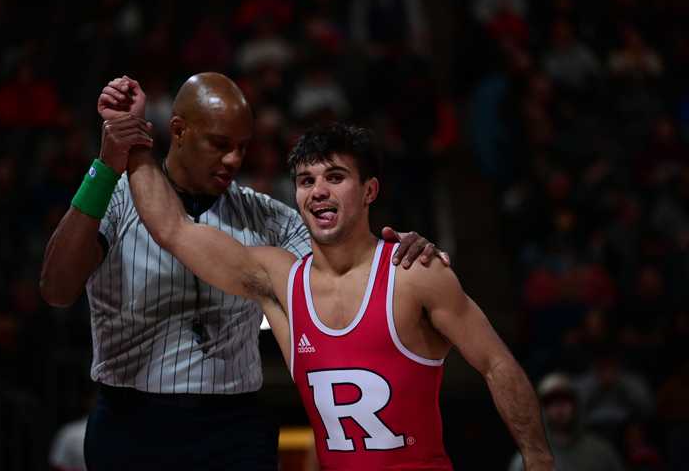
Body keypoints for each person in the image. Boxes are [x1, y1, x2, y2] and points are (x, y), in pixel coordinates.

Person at [39, 73, 445, 471]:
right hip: (133, 422)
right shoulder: (115, 197)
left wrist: (400, 251)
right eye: (219, 145)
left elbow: (348, 267)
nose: (233, 160)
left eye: (242, 147)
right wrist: (107, 167)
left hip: (233, 424)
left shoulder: (266, 216)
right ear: (178, 131)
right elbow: (56, 289)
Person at [126, 118, 554, 470]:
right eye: (306, 180)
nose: (319, 192)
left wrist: (538, 460)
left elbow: (497, 364)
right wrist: (135, 143)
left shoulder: (413, 273)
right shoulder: (278, 278)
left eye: (335, 177)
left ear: (369, 190)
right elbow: (173, 230)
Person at [508, 373, 624, 471]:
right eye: (551, 401)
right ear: (542, 409)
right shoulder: (528, 459)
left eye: (564, 399)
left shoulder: (600, 452)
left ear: (575, 405)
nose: (559, 407)